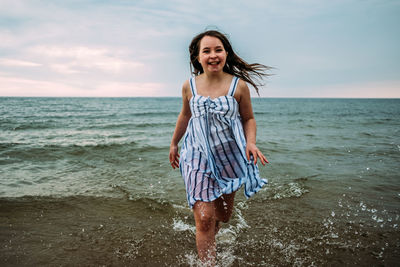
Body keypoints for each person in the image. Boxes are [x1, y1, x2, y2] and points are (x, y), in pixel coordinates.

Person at [169, 29, 270, 265]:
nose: (213, 55)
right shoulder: (189, 87)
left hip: (229, 156)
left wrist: (251, 143)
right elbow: (185, 115)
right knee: (204, 218)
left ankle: (209, 235)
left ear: (226, 53)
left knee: (223, 216)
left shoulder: (238, 86)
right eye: (207, 51)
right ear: (197, 57)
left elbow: (248, 118)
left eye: (218, 50)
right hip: (197, 154)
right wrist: (174, 143)